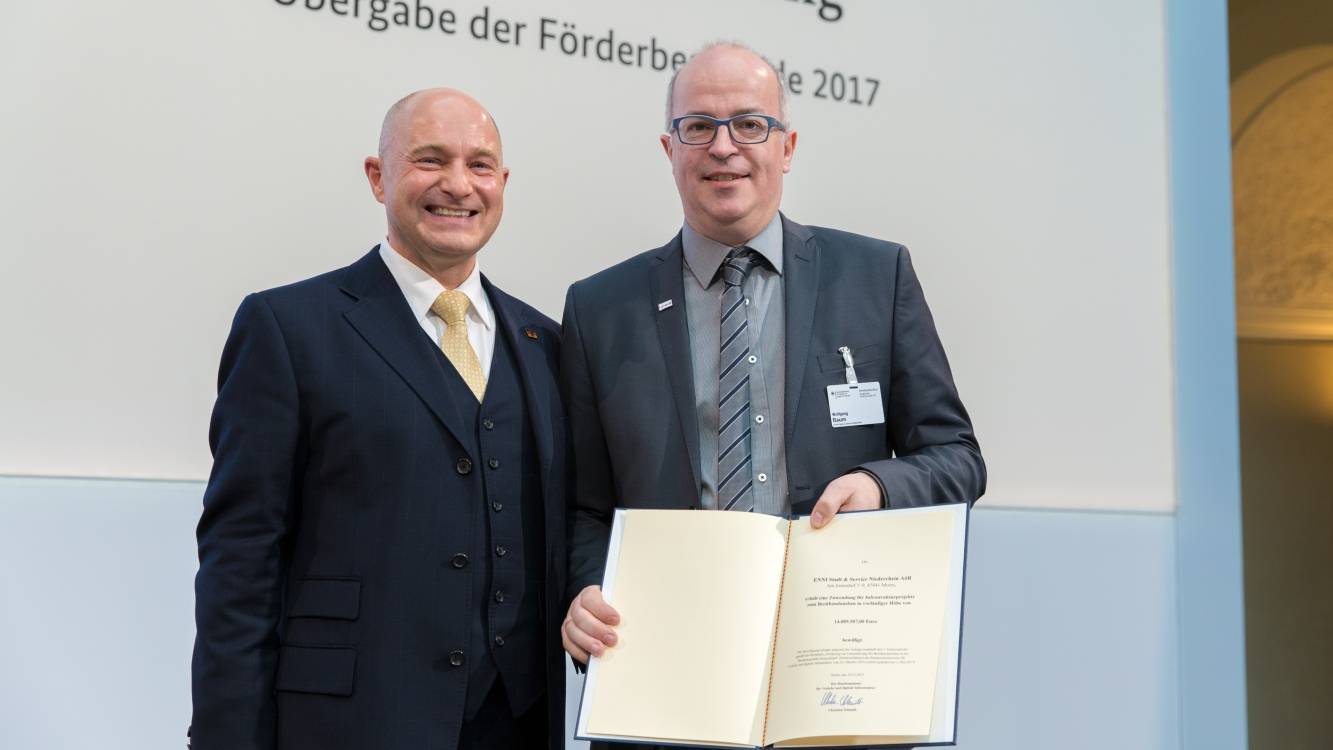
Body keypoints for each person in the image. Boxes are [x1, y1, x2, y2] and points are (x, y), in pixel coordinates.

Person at [560, 42, 986, 690]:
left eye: (749, 124)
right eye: (697, 126)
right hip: (666, 666)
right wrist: (585, 590)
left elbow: (956, 458)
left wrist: (876, 487)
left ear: (785, 147)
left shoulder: (875, 277)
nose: (723, 147)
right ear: (669, 149)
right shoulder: (599, 309)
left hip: (834, 658)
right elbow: (584, 509)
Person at [190, 89, 566, 750]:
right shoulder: (287, 329)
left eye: (479, 165)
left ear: (502, 184)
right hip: (350, 723)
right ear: (377, 176)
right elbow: (240, 562)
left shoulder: (547, 343)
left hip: (517, 725)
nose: (458, 184)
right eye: (430, 160)